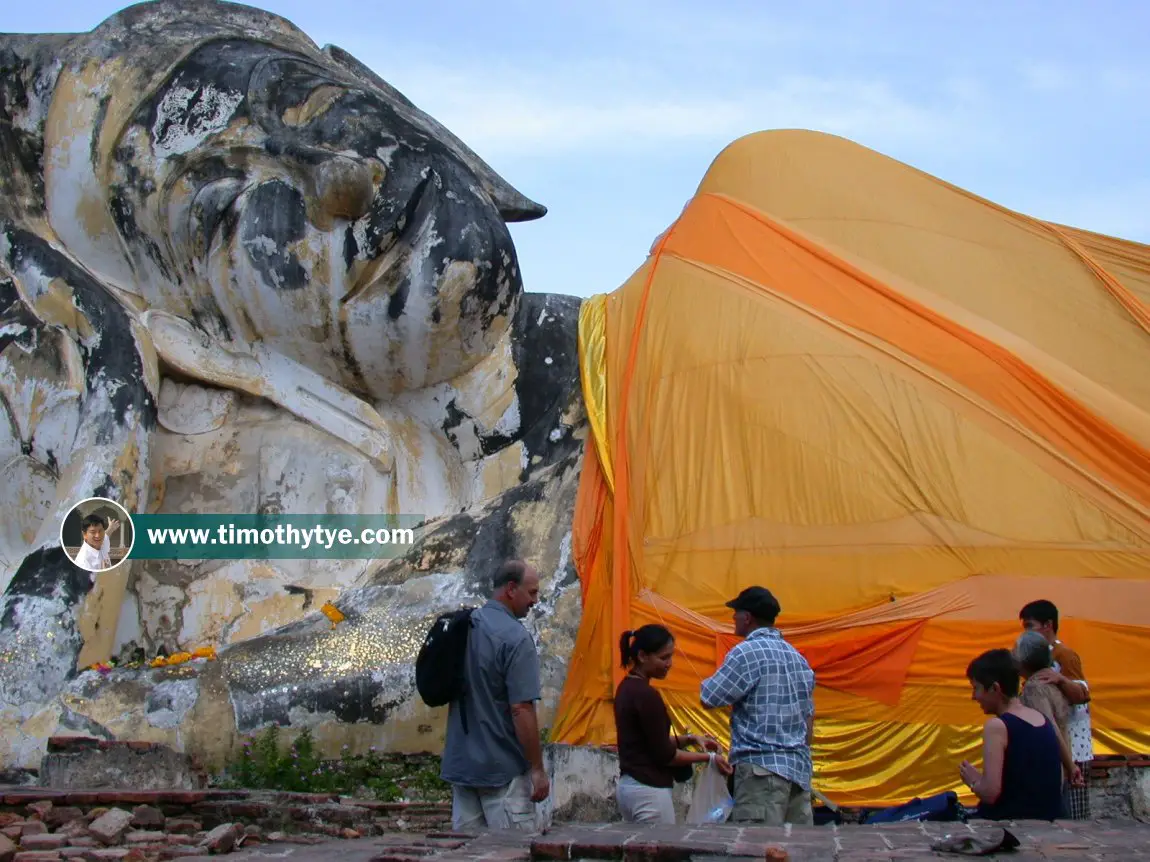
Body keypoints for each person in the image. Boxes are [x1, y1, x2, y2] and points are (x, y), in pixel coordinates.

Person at [440, 560, 550, 831]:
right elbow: (521, 709)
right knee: (512, 851)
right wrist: (537, 768)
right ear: (511, 589)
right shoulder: (515, 637)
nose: (535, 601)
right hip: (502, 770)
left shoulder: (462, 627)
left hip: (461, 766)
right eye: (532, 592)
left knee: (466, 853)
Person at [700, 586, 816, 826]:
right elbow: (809, 720)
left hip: (760, 775)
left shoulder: (746, 653)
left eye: (736, 613)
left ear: (747, 617)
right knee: (797, 850)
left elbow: (710, 696)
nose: (732, 618)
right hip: (798, 773)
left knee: (757, 850)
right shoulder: (798, 658)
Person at [614, 624, 732, 824]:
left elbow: (650, 741)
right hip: (649, 792)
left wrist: (690, 739)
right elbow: (666, 756)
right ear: (642, 656)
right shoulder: (646, 695)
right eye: (663, 658)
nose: (669, 663)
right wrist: (709, 758)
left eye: (670, 656)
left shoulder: (626, 688)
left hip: (629, 788)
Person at [959, 648, 1063, 821]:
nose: (973, 697)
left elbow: (990, 793)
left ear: (995, 688)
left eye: (976, 688)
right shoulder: (1042, 719)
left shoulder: (997, 727)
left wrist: (973, 781)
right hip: (1047, 821)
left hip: (1012, 823)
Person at [1019, 599, 1093, 819]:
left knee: (1074, 812)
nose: (1026, 633)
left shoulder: (1064, 655)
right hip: (1051, 741)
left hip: (1073, 744)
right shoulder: (1034, 655)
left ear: (1048, 625)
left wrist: (1060, 679)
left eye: (1030, 626)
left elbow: (1083, 695)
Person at [1013, 631, 1084, 795]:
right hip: (1058, 768)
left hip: (1046, 769)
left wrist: (1071, 766)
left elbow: (1050, 728)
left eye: (1015, 651)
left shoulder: (1034, 688)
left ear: (1024, 659)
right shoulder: (1052, 683)